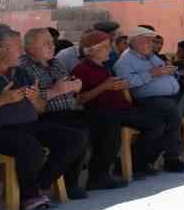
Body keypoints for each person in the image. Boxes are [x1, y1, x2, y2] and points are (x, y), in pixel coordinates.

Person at [0, 25, 87, 210]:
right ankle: (29, 198)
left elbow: (40, 108)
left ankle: (39, 186)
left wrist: (35, 98)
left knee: (75, 138)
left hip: (28, 125)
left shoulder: (21, 73)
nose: (22, 52)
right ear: (1, 50)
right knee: (30, 147)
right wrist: (2, 100)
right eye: (18, 47)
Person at [72, 29, 168, 187]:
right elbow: (79, 99)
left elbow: (111, 87)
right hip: (99, 111)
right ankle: (98, 177)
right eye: (105, 47)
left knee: (156, 124)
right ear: (92, 51)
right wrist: (104, 87)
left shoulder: (104, 67)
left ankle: (138, 164)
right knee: (110, 134)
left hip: (120, 109)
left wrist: (120, 86)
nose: (110, 50)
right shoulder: (81, 70)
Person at [19, 26, 90, 198]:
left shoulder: (55, 62)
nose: (52, 46)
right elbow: (27, 95)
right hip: (43, 116)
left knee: (88, 127)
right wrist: (57, 90)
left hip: (67, 111)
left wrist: (74, 85)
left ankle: (69, 183)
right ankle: (44, 181)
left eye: (52, 42)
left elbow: (68, 83)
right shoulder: (24, 67)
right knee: (77, 135)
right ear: (30, 48)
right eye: (45, 44)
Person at [114, 26, 184, 172]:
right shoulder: (124, 61)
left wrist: (171, 72)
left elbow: (162, 70)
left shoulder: (150, 56)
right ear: (136, 41)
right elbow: (126, 83)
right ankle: (172, 157)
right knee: (172, 113)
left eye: (152, 41)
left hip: (169, 97)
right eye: (148, 41)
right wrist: (152, 73)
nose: (152, 44)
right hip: (146, 100)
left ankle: (146, 160)